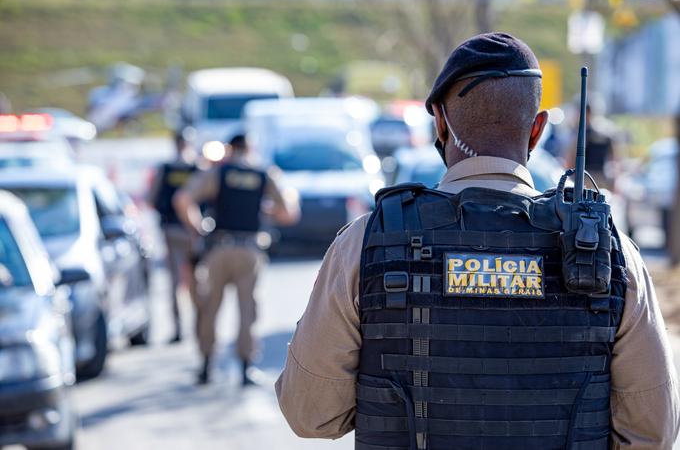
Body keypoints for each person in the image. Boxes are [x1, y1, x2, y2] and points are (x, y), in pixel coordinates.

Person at [276, 33, 680, 449]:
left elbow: (311, 415)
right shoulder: (610, 253)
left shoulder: (366, 242)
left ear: (439, 121)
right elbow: (652, 434)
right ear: (537, 128)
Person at [174, 134, 299, 385]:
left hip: (219, 247)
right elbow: (289, 213)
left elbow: (182, 199)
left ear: (230, 149)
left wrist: (198, 229)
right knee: (248, 309)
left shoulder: (219, 173)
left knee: (210, 307)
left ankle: (206, 365)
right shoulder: (264, 174)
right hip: (250, 250)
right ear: (250, 148)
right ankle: (245, 368)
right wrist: (267, 211)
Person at [148, 137, 198, 343]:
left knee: (176, 282)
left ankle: (179, 328)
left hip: (172, 229)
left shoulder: (166, 169)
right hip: (195, 231)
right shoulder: (197, 168)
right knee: (197, 282)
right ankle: (200, 328)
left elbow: (152, 198)